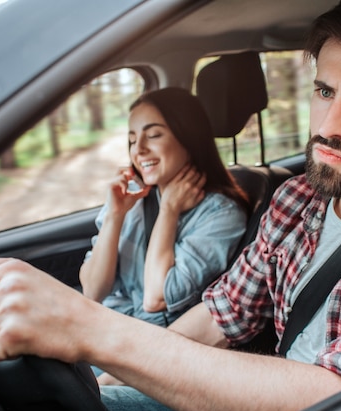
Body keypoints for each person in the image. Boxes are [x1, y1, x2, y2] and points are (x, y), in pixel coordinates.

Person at [0, 1, 341, 411]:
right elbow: (220, 319)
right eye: (325, 92)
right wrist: (99, 379)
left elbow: (337, 398)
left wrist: (93, 331)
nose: (328, 127)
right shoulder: (300, 197)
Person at [79, 87, 249, 329]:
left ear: (188, 138)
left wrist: (169, 210)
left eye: (154, 135)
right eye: (132, 140)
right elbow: (92, 291)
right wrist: (114, 217)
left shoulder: (222, 214)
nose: (138, 150)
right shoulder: (133, 198)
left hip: (152, 343)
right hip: (106, 328)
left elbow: (155, 299)